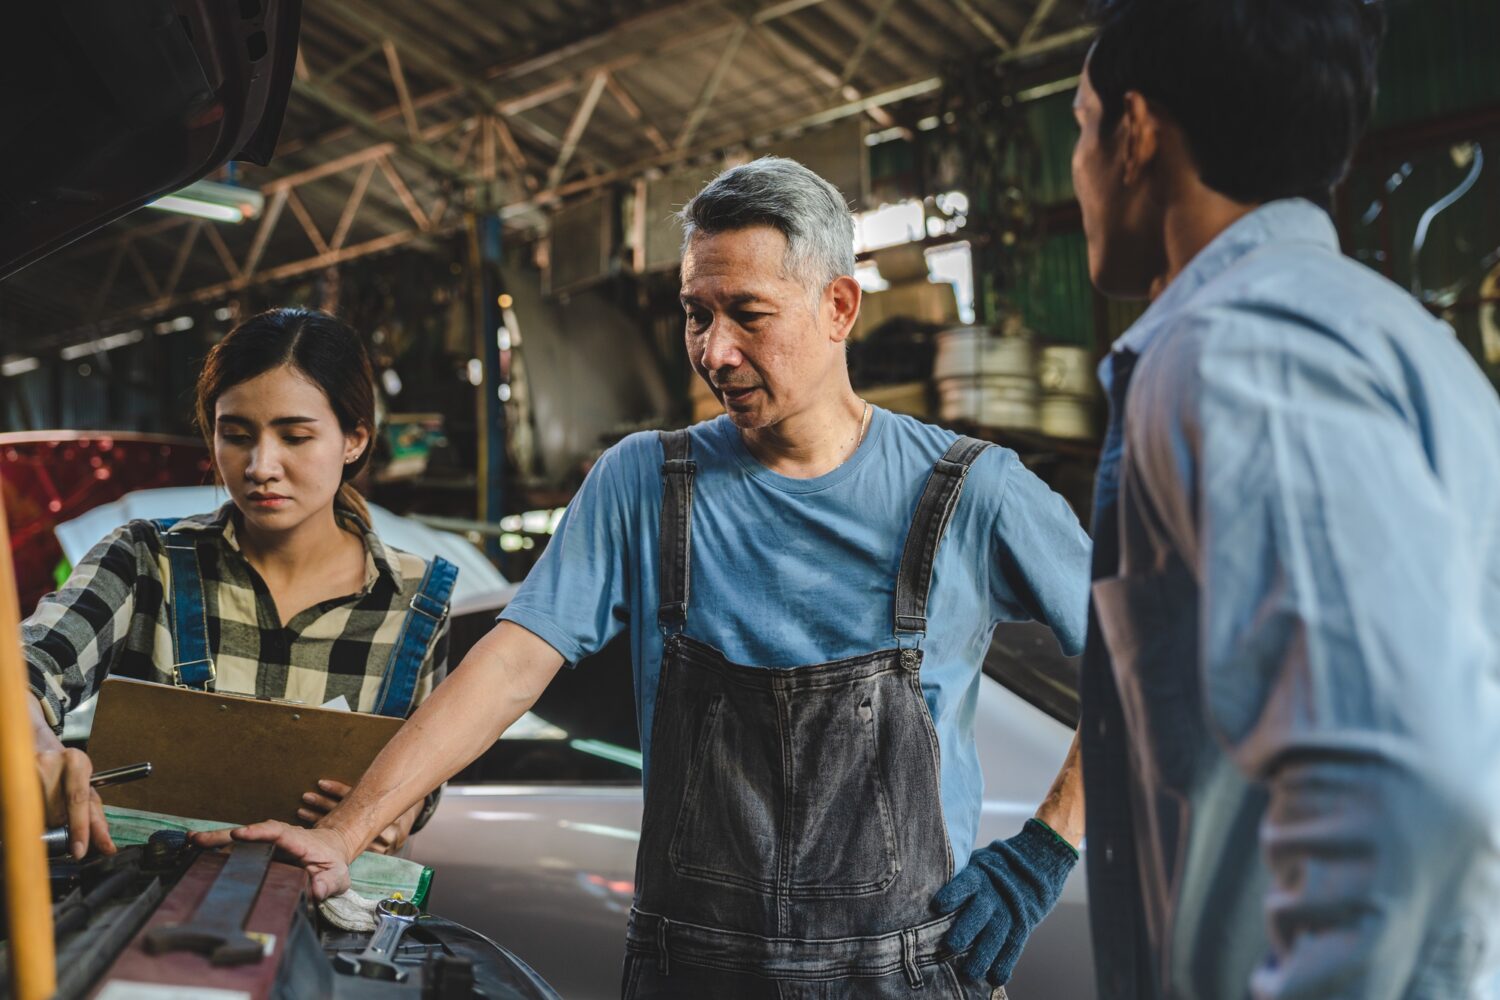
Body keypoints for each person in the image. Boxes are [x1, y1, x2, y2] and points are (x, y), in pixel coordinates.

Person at [199, 157, 1093, 997]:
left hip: (908, 971)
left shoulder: (971, 492)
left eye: (748, 313)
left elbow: (1142, 666)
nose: (714, 352)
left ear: (839, 306)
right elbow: (513, 661)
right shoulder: (644, 483)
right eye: (697, 314)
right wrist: (345, 832)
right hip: (691, 969)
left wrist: (1046, 848)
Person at [1069, 1, 1500, 998]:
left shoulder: (1232, 351)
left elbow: (1402, 785)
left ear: (1136, 133)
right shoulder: (1406, 341)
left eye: (1085, 128)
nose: (1079, 172)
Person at [25, 308, 457, 860]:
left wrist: (394, 812)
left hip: (323, 919)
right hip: (144, 904)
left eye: (295, 437)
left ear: (354, 440)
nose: (260, 465)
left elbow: (423, 778)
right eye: (236, 435)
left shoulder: (416, 599)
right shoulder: (144, 561)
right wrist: (36, 745)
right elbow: (27, 668)